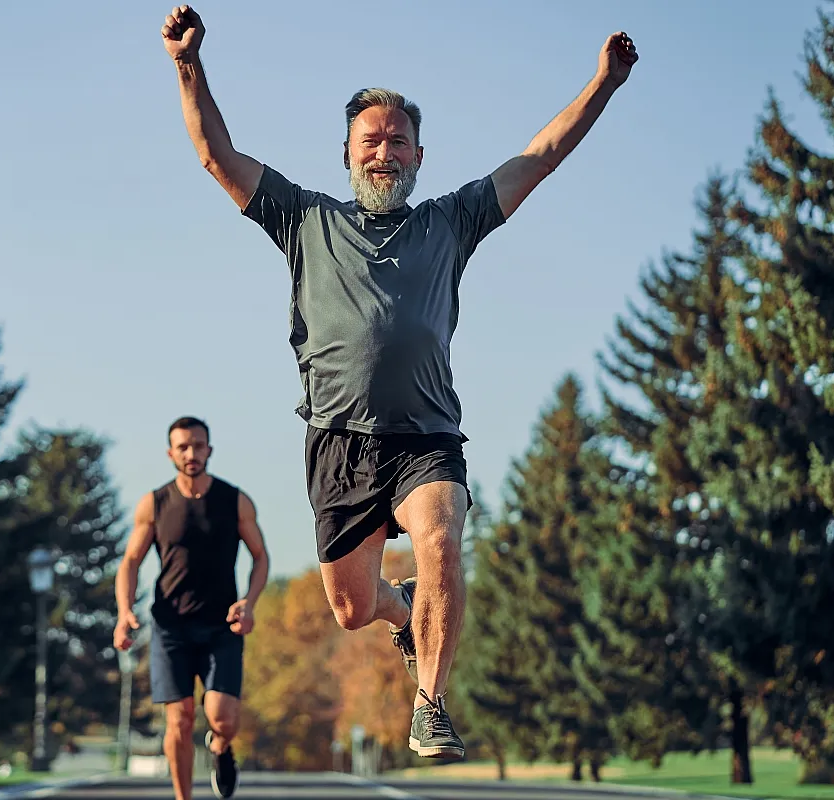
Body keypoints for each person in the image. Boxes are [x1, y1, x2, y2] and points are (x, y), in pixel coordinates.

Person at [159, 5, 638, 761]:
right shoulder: (303, 219)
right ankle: (401, 610)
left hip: (427, 438)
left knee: (442, 538)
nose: (384, 151)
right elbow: (217, 156)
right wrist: (188, 63)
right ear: (347, 154)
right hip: (338, 442)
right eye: (370, 140)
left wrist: (604, 84)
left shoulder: (453, 220)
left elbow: (540, 156)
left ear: (420, 155)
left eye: (398, 140)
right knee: (352, 607)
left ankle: (430, 704)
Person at [114, 416, 270, 799]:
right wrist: (124, 613)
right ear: (171, 453)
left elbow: (260, 556)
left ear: (209, 450)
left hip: (222, 627)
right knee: (179, 718)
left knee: (223, 718)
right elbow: (130, 562)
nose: (191, 453)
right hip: (171, 627)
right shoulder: (155, 503)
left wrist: (248, 603)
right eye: (183, 447)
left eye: (198, 446)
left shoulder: (235, 500)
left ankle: (220, 746)